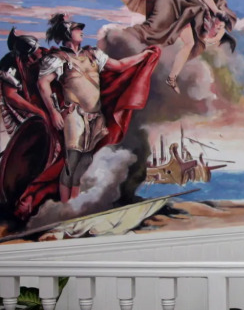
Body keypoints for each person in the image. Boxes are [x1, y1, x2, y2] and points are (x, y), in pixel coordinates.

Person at [36, 14, 158, 203]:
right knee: (72, 160)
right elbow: (43, 83)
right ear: (67, 34)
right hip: (73, 114)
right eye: (77, 29)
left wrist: (143, 56)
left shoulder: (92, 54)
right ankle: (65, 205)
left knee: (86, 161)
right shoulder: (58, 59)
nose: (81, 31)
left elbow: (119, 66)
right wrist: (53, 112)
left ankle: (73, 203)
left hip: (95, 115)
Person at [122, 0, 237, 93]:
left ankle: (171, 78)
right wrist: (215, 10)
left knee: (189, 43)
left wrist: (216, 30)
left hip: (185, 10)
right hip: (175, 2)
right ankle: (130, 54)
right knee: (155, 33)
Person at [0, 27, 48, 132]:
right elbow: (11, 95)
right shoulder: (11, 62)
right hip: (24, 108)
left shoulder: (46, 54)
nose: (32, 60)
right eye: (29, 57)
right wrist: (39, 112)